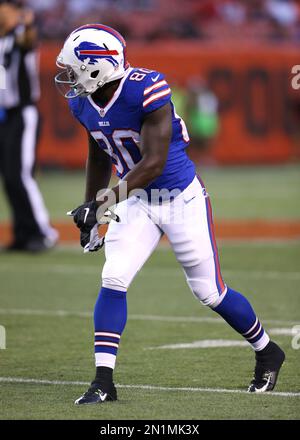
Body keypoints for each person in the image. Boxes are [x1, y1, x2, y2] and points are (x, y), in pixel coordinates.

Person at [55, 24, 285, 405]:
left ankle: (266, 349)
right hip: (135, 201)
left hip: (178, 198)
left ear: (97, 67)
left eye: (75, 67)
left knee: (209, 292)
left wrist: (101, 203)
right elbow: (98, 151)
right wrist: (92, 207)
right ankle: (103, 381)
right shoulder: (82, 103)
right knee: (113, 277)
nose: (69, 76)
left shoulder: (147, 88)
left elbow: (154, 163)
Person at [0, 0, 58, 252]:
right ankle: (22, 233)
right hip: (6, 115)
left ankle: (43, 232)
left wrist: (28, 21)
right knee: (9, 177)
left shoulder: (20, 34)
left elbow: (29, 40)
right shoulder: (3, 39)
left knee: (20, 175)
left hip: (23, 112)